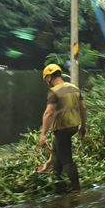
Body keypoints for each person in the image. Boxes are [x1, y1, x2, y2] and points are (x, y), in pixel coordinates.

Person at [39, 63, 87, 191]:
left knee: (66, 158)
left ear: (49, 77)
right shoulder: (74, 88)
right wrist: (83, 126)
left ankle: (76, 188)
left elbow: (48, 113)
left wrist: (43, 134)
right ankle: (58, 183)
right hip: (73, 126)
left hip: (62, 128)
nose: (46, 82)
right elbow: (83, 107)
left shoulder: (54, 92)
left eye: (46, 79)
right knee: (56, 153)